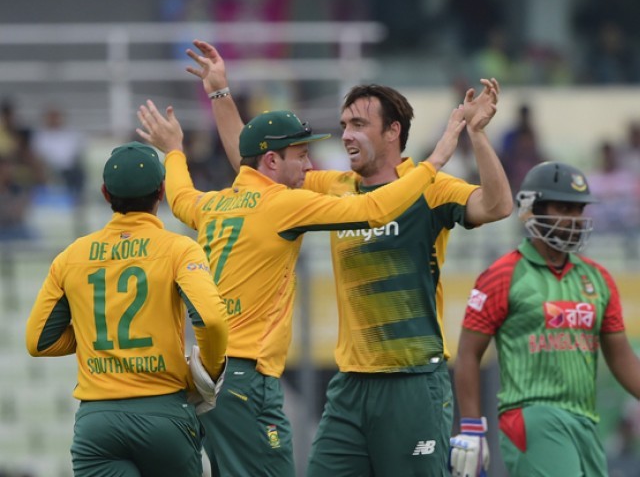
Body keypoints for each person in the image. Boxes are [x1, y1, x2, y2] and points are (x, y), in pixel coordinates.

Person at [183, 39, 513, 476]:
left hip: (412, 378)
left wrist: (477, 135)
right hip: (350, 384)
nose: (347, 134)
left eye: (359, 124)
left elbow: (497, 205)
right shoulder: (335, 186)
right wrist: (220, 92)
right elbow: (257, 166)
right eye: (343, 124)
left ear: (392, 131)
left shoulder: (429, 186)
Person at [135, 92, 466, 476]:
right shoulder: (284, 204)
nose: (309, 165)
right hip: (247, 377)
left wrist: (174, 150)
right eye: (300, 155)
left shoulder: (212, 205)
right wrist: (436, 161)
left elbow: (179, 197)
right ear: (272, 161)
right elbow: (372, 209)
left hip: (207, 376)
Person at [25, 141, 229, 476]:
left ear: (105, 194)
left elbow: (39, 341)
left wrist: (93, 333)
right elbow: (211, 320)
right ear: (161, 191)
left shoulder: (71, 256)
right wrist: (210, 372)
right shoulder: (180, 250)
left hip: (98, 424)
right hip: (164, 415)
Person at [451, 161, 640, 476]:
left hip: (584, 421)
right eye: (564, 208)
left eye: (579, 210)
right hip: (531, 416)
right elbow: (469, 354)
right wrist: (472, 427)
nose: (575, 220)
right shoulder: (502, 274)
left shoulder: (598, 278)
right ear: (533, 209)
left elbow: (622, 358)